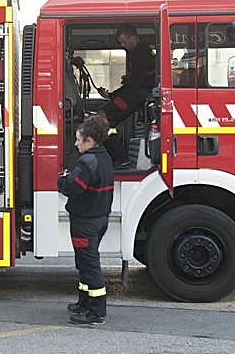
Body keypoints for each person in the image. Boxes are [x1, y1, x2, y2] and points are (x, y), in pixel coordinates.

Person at [58, 115, 114, 325]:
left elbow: (74, 188)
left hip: (85, 221)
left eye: (78, 139)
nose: (75, 143)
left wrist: (62, 180)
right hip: (99, 219)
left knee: (89, 265)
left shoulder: (87, 161)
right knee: (84, 262)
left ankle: (96, 312)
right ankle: (84, 302)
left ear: (89, 140)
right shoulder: (104, 157)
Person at [98, 24, 155, 168]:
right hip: (137, 93)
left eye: (124, 42)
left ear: (134, 38)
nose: (122, 45)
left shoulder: (140, 52)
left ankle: (119, 157)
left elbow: (136, 82)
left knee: (103, 118)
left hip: (138, 94)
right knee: (105, 117)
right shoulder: (140, 51)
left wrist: (113, 95)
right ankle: (118, 156)